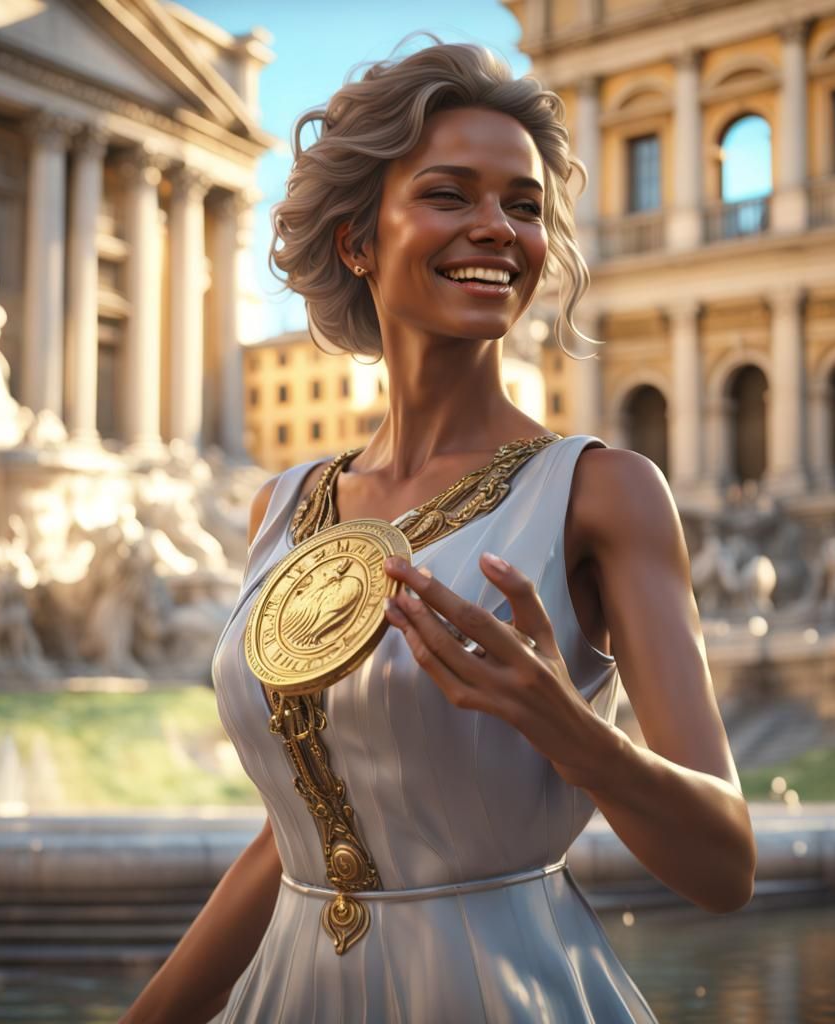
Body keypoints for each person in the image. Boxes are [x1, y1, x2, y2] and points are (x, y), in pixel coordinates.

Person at [120, 39, 756, 1024]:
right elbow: (296, 831)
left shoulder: (604, 492)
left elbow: (724, 866)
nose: (498, 228)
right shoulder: (283, 505)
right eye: (452, 195)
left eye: (525, 204)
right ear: (357, 241)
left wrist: (571, 731)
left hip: (508, 991)